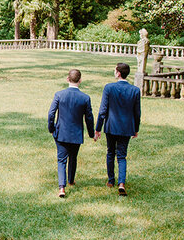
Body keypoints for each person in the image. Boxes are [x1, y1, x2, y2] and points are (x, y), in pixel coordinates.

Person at [95, 62, 142, 196]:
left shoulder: (109, 88)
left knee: (110, 152)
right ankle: (121, 183)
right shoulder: (135, 90)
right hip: (126, 127)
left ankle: (111, 180)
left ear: (118, 73)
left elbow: (102, 111)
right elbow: (137, 113)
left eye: (115, 70)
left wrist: (98, 128)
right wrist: (136, 128)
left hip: (111, 126)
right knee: (122, 155)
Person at [47, 69, 95, 198]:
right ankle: (71, 180)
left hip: (61, 132)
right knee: (73, 157)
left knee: (61, 160)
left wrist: (51, 129)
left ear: (68, 79)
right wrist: (92, 134)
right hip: (76, 133)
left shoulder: (59, 94)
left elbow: (51, 113)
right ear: (80, 80)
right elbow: (89, 118)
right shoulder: (85, 98)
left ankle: (62, 187)